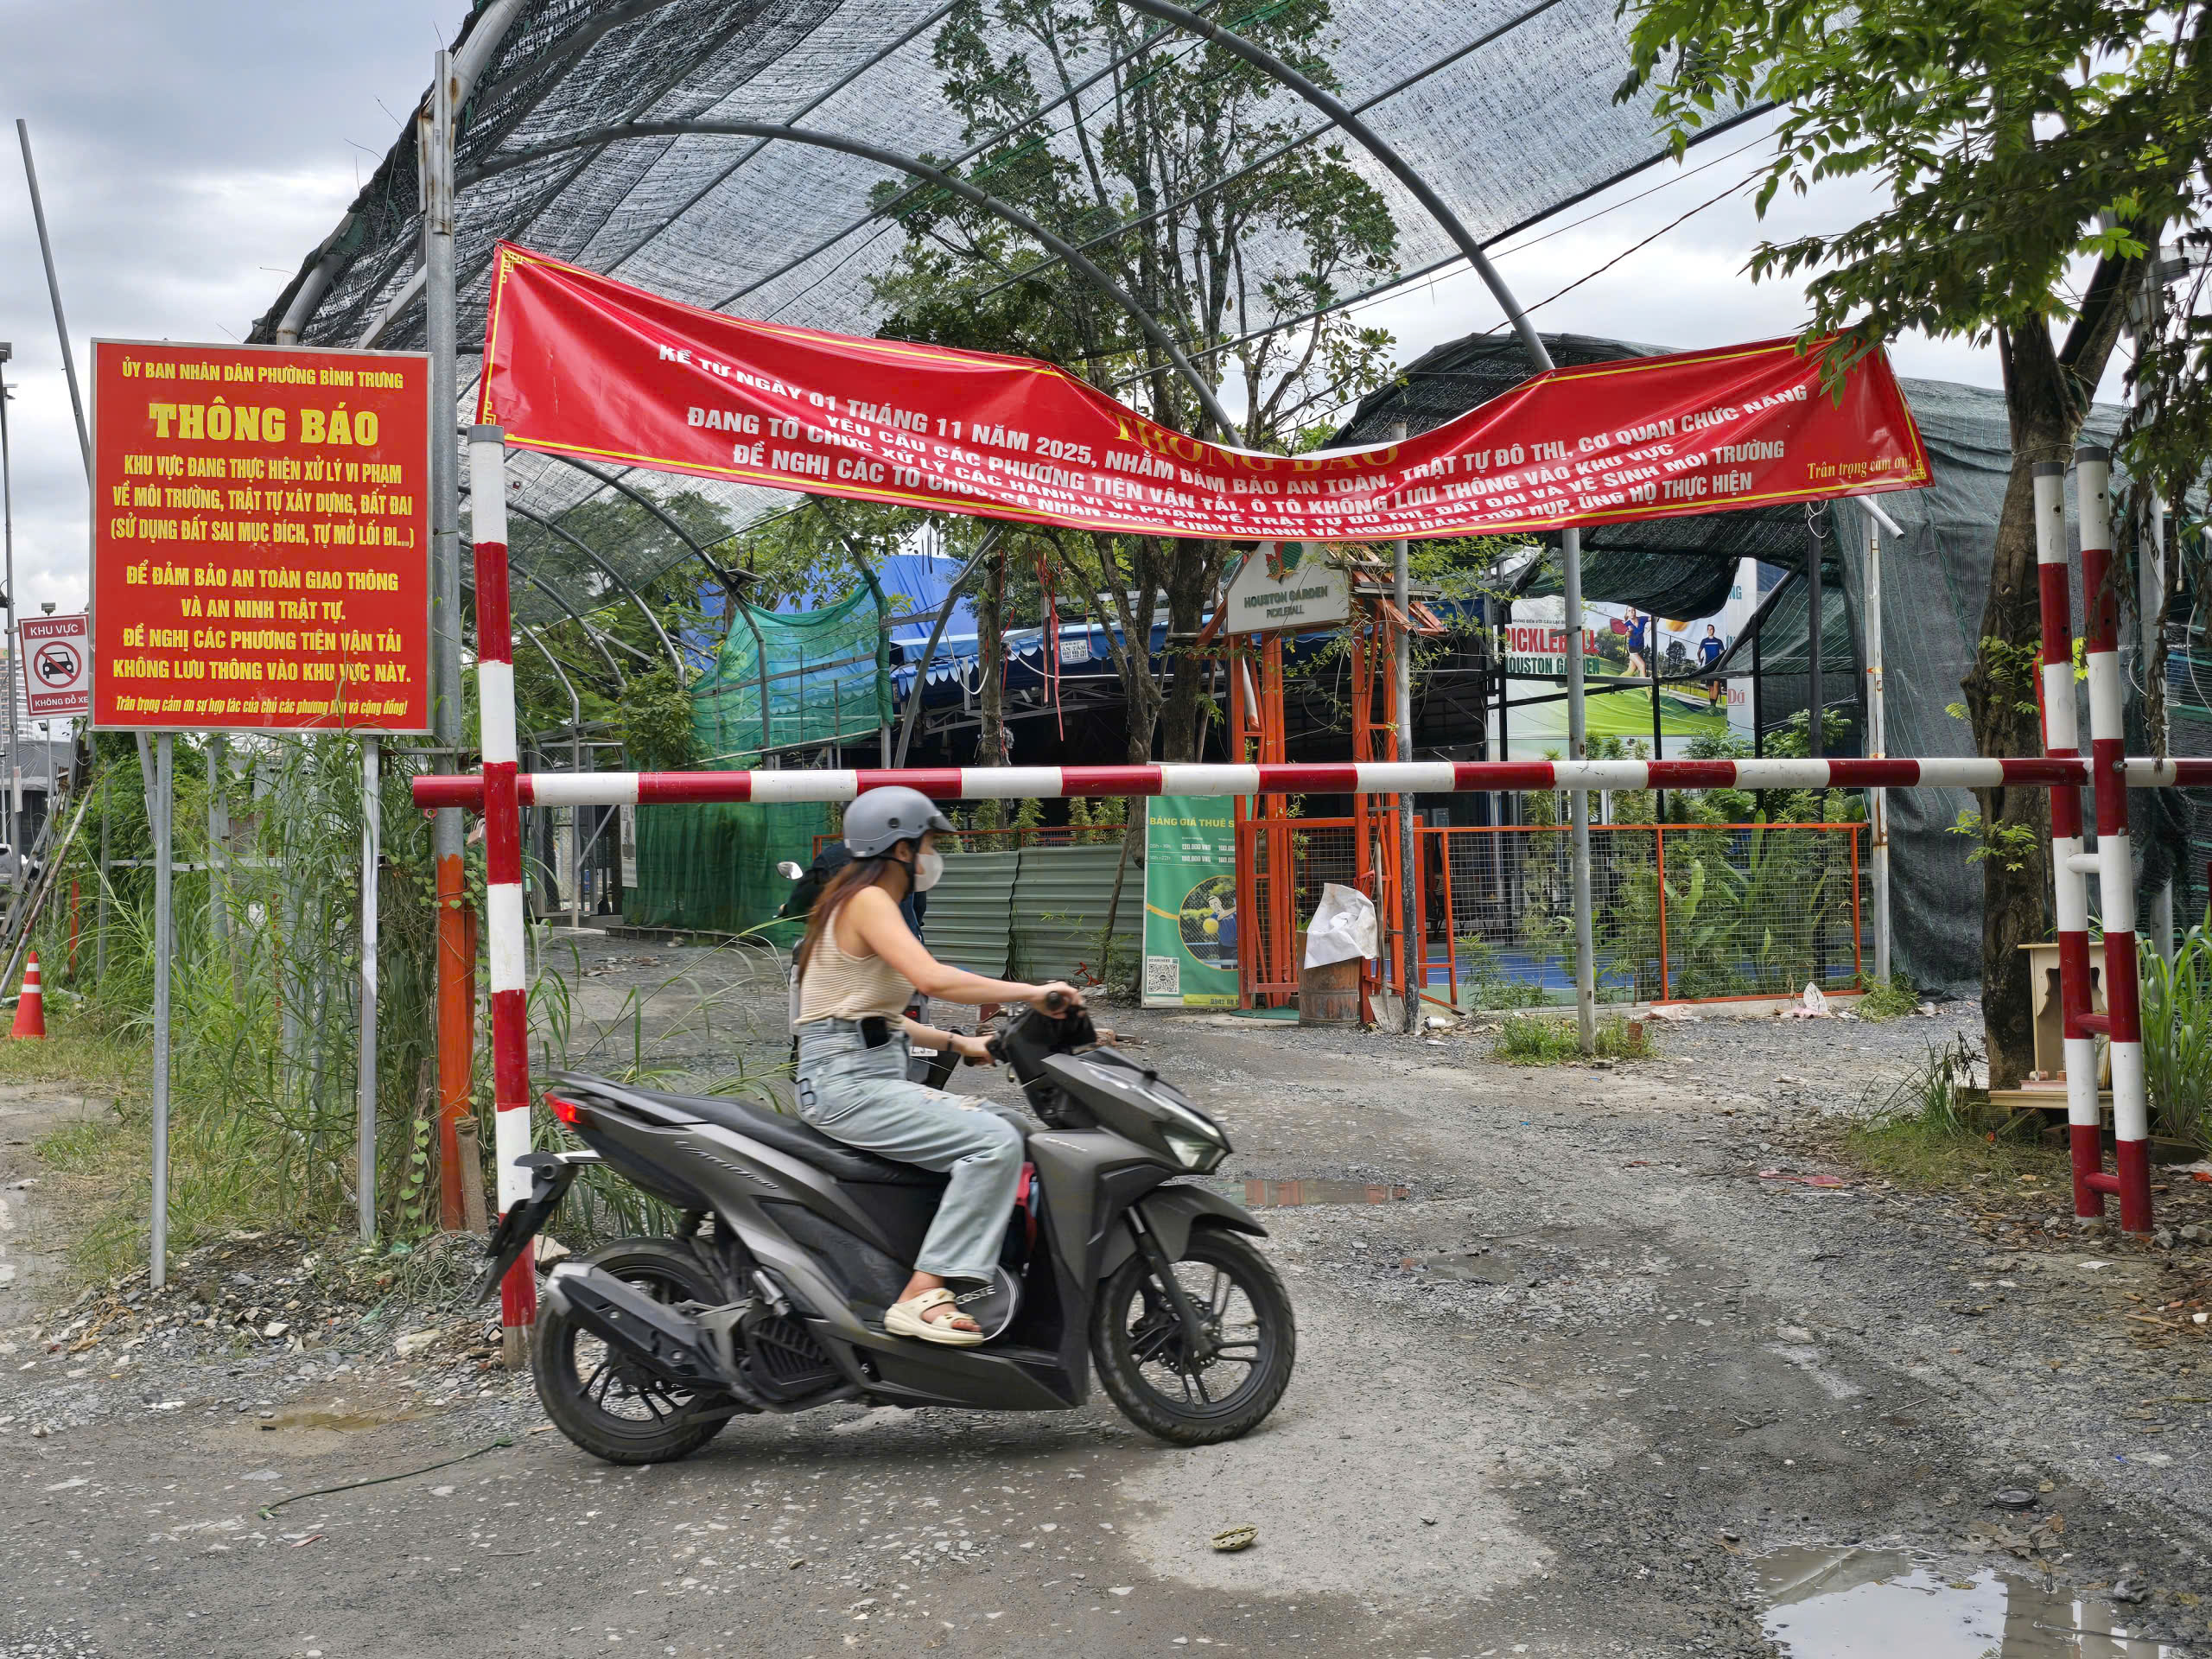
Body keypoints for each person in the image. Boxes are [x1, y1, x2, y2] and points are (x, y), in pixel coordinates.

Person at [791, 786, 1084, 1346]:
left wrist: (957, 1043)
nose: (931, 855)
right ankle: (921, 1295)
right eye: (926, 842)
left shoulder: (859, 899)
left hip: (859, 1072)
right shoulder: (870, 900)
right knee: (992, 1143)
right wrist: (1034, 991)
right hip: (845, 1084)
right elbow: (932, 979)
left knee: (1014, 1130)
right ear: (900, 848)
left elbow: (874, 1017)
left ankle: (978, 1271)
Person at [1697, 623, 1726, 709]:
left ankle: (1713, 706)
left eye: (1711, 629)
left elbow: (1723, 652)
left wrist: (1721, 662)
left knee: (1716, 685)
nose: (1710, 630)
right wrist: (1699, 659)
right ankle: (1712, 706)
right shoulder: (1704, 641)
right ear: (1707, 631)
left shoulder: (1718, 641)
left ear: (1714, 630)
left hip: (1717, 666)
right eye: (1709, 629)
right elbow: (1699, 652)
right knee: (1711, 687)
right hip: (1708, 666)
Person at [1625, 610, 1649, 680]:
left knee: (1630, 671)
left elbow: (1654, 618)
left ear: (1635, 611)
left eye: (1633, 610)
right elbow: (1628, 635)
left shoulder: (1642, 619)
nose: (1632, 612)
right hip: (1632, 649)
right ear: (1627, 614)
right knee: (1642, 666)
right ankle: (1648, 690)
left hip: (1640, 649)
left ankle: (1613, 685)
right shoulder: (1627, 625)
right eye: (1629, 611)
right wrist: (1630, 631)